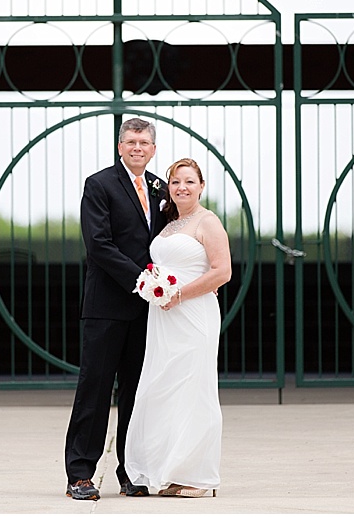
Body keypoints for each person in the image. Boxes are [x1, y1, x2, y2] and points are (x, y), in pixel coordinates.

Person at [64, 117, 169, 501]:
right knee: (94, 389)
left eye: (144, 142)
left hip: (148, 310)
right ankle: (80, 474)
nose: (137, 147)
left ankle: (131, 471)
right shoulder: (100, 184)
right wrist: (142, 278)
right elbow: (99, 244)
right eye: (131, 141)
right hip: (107, 305)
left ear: (153, 149)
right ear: (120, 146)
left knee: (137, 394)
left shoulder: (161, 187)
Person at [124, 157, 231, 498]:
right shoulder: (169, 224)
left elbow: (222, 272)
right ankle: (173, 469)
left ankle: (199, 476)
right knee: (166, 387)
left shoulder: (208, 222)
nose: (182, 187)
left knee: (194, 387)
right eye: (175, 182)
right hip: (164, 317)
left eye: (189, 181)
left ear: (201, 186)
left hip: (193, 313)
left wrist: (180, 293)